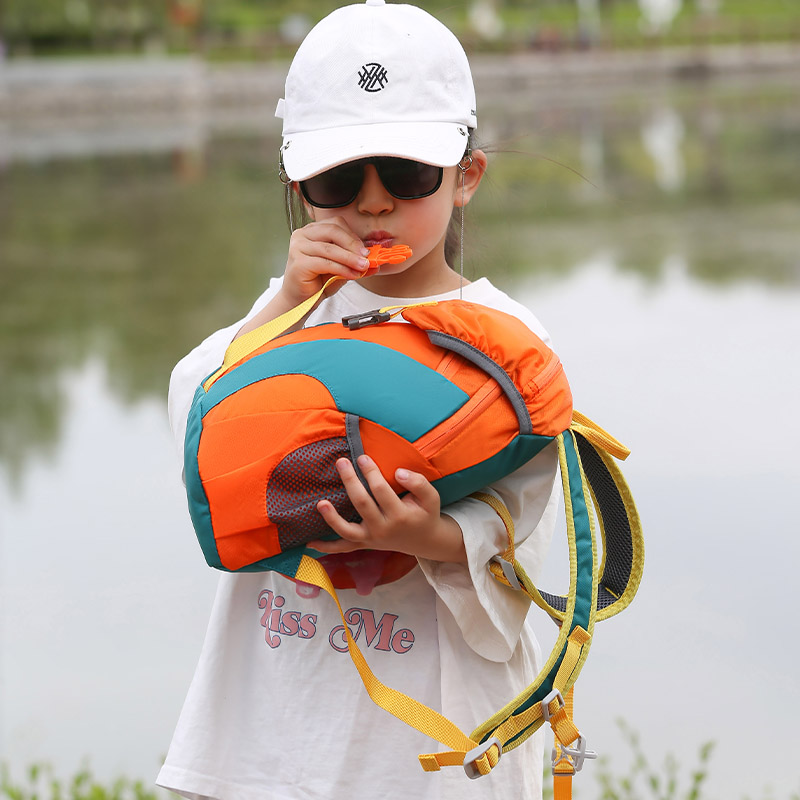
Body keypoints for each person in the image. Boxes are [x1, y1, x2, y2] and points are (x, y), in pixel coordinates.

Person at [157, 2, 561, 798]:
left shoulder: (505, 339)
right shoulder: (283, 322)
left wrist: (434, 535)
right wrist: (282, 303)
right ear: (297, 185)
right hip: (271, 738)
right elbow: (195, 430)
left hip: (425, 754)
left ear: (466, 175)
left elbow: (536, 531)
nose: (373, 203)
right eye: (339, 179)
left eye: (407, 174)